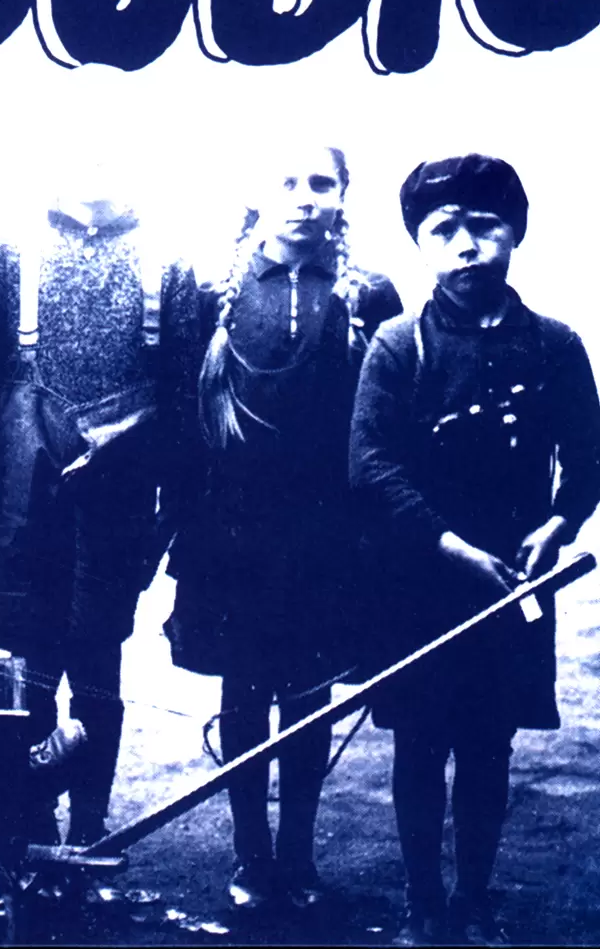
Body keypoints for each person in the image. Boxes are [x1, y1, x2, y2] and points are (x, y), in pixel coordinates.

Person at [350, 155, 600, 948]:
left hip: (515, 584)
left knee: (490, 746)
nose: (466, 246)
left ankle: (474, 899)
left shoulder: (554, 345)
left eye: (485, 226)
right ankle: (424, 903)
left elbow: (589, 456)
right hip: (416, 582)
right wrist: (449, 543)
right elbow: (370, 463)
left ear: (515, 233)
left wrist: (559, 523)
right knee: (420, 746)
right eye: (444, 230)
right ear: (421, 243)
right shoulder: (398, 345)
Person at [164, 146, 402, 911]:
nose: (304, 198)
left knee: (309, 692)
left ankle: (298, 858)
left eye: (321, 183)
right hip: (234, 531)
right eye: (287, 182)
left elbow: (389, 421)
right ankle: (250, 856)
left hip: (326, 531)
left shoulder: (369, 294)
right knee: (244, 690)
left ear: (343, 194)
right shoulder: (214, 291)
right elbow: (181, 417)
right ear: (257, 192)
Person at [0, 187, 202, 844]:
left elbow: (183, 403)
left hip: (120, 501)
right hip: (28, 490)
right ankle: (32, 827)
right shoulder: (13, 252)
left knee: (98, 665)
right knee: (30, 667)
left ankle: (90, 832)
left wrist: (165, 521)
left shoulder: (167, 261)